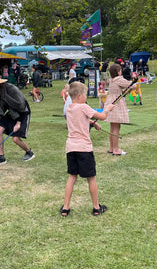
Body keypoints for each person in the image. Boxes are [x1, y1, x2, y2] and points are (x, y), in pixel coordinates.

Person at [60, 81, 115, 217]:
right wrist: (107, 109)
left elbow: (77, 119)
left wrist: (91, 123)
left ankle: (65, 208)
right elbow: (102, 116)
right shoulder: (84, 107)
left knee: (72, 177)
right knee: (91, 178)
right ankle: (96, 207)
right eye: (85, 94)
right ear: (79, 96)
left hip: (71, 148)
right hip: (84, 148)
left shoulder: (70, 108)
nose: (86, 97)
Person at [104, 63, 135, 155]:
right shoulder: (119, 79)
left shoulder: (112, 80)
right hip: (116, 104)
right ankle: (116, 150)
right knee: (116, 127)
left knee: (112, 127)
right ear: (118, 72)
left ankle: (111, 148)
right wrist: (134, 81)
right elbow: (132, 85)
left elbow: (123, 90)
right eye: (120, 70)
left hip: (110, 103)